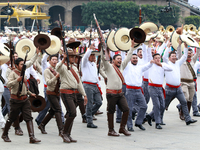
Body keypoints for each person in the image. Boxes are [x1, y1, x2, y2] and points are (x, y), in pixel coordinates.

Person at [101, 39, 136, 136]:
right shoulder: (109, 67)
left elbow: (128, 57)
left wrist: (132, 47)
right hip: (111, 94)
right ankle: (110, 130)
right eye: (118, 59)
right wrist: (103, 49)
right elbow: (104, 60)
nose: (120, 60)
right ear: (113, 60)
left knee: (126, 109)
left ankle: (122, 128)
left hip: (120, 93)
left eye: (121, 59)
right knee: (111, 112)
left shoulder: (122, 67)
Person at [1, 57, 41, 143]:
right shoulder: (13, 73)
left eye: (23, 64)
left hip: (24, 99)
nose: (23, 66)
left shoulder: (23, 73)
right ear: (16, 65)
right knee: (11, 118)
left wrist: (30, 93)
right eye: (21, 64)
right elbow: (8, 84)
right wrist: (17, 80)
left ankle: (32, 137)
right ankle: (4, 134)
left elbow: (24, 87)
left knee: (29, 118)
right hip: (15, 100)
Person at [162, 41, 197, 125]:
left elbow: (185, 56)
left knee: (184, 102)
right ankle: (156, 118)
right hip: (169, 88)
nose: (174, 57)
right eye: (172, 56)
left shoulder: (178, 63)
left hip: (178, 88)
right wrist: (167, 47)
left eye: (175, 56)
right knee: (164, 105)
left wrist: (185, 47)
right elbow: (164, 57)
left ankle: (188, 119)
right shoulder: (167, 63)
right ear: (169, 58)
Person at [56, 49, 87, 143]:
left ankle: (68, 134)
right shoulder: (63, 66)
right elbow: (57, 67)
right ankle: (64, 132)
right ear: (67, 57)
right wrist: (63, 59)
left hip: (73, 92)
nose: (74, 58)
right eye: (72, 57)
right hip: (65, 92)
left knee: (71, 113)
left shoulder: (75, 68)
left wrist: (84, 94)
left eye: (74, 57)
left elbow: (79, 83)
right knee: (72, 112)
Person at [38, 55, 64, 139]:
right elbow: (48, 82)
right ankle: (61, 130)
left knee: (53, 110)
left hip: (57, 92)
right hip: (50, 92)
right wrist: (56, 77)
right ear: (49, 61)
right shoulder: (47, 70)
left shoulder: (58, 69)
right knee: (58, 109)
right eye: (53, 59)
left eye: (56, 60)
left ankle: (42, 124)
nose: (55, 61)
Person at [147, 53, 173, 129]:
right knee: (157, 105)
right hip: (152, 87)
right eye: (156, 58)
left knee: (162, 105)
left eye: (159, 58)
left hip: (160, 88)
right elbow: (147, 54)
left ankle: (150, 115)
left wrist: (161, 65)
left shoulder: (163, 65)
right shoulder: (151, 65)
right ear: (153, 59)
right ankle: (157, 122)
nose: (158, 59)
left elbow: (171, 69)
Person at [81, 44, 102, 128]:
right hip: (87, 85)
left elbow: (96, 76)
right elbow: (84, 58)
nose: (93, 57)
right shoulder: (84, 63)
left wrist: (99, 86)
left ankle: (87, 115)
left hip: (94, 85)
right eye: (92, 55)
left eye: (94, 55)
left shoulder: (94, 65)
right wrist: (89, 50)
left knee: (99, 102)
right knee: (89, 103)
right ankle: (89, 121)